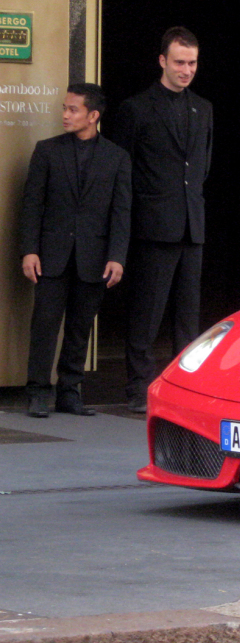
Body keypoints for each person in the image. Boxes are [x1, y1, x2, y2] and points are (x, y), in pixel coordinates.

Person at [116, 26, 213, 413]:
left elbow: (202, 164)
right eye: (179, 62)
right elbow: (125, 171)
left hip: (193, 222)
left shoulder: (203, 107)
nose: (186, 70)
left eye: (191, 63)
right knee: (148, 310)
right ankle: (138, 387)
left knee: (189, 315)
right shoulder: (136, 108)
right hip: (154, 223)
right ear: (162, 61)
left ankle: (184, 388)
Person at [19, 84, 131, 418]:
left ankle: (70, 392)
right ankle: (38, 392)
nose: (65, 115)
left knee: (81, 328)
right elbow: (31, 205)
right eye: (65, 108)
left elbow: (121, 212)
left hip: (94, 258)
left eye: (73, 109)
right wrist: (29, 250)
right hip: (51, 255)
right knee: (44, 326)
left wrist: (117, 256)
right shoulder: (47, 151)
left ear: (93, 116)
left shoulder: (117, 157)